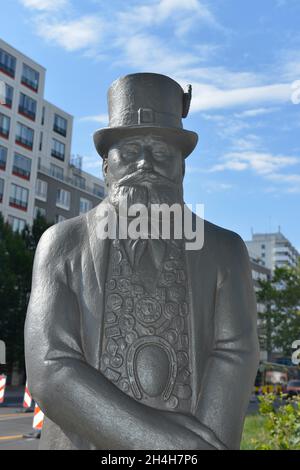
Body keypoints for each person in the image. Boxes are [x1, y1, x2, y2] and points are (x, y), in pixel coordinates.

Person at [25, 73, 259, 450]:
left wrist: (205, 448)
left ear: (182, 167)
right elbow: (50, 366)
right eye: (130, 152)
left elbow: (236, 350)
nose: (145, 163)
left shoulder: (224, 250)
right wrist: (163, 444)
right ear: (106, 167)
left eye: (163, 152)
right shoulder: (62, 244)